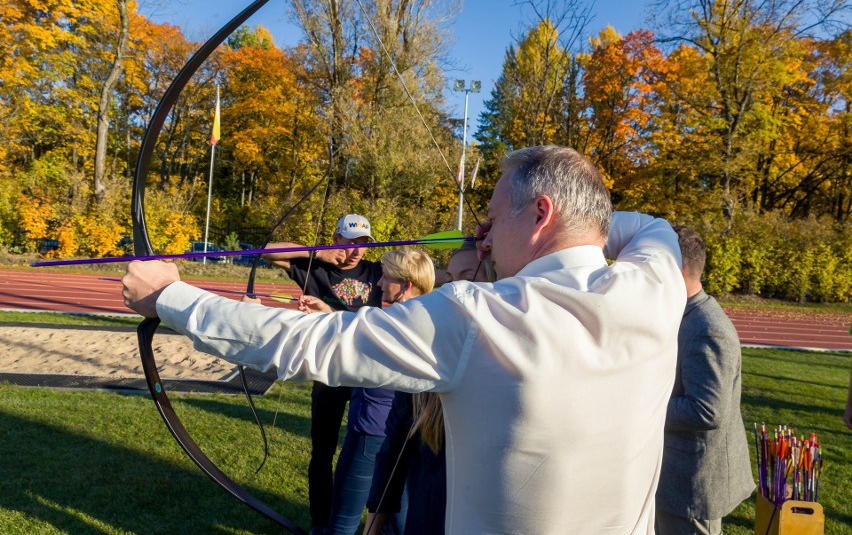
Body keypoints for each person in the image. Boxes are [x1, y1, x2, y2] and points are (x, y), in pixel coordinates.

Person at [123, 144, 686, 533]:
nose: (483, 240)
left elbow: (312, 342)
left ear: (540, 213)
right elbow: (651, 227)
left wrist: (171, 297)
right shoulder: (656, 288)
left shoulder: (480, 315)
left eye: (490, 221)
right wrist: (581, 223)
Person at [262, 214, 383, 535]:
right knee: (323, 450)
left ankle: (374, 522)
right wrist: (317, 252)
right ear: (335, 238)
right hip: (329, 370)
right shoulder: (313, 267)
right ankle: (320, 522)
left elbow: (432, 276)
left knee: (369, 449)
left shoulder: (377, 272)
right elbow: (266, 250)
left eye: (363, 243)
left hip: (366, 372)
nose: (357, 251)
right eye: (350, 241)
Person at [365, 243, 492, 535]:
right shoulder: (429, 351)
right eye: (451, 277)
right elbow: (396, 443)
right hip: (428, 516)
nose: (458, 287)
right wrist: (373, 525)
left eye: (469, 276)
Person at [322, 248, 434, 534]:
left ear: (406, 286)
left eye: (386, 277)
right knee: (396, 523)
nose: (380, 283)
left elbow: (349, 340)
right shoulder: (432, 322)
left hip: (370, 434)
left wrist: (325, 318)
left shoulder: (388, 325)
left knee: (343, 522)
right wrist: (327, 314)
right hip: (410, 438)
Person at [654, 226, 755, 535]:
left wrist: (642, 406)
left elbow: (707, 410)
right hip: (678, 480)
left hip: (692, 485)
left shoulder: (708, 327)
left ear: (677, 268)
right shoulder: (684, 314)